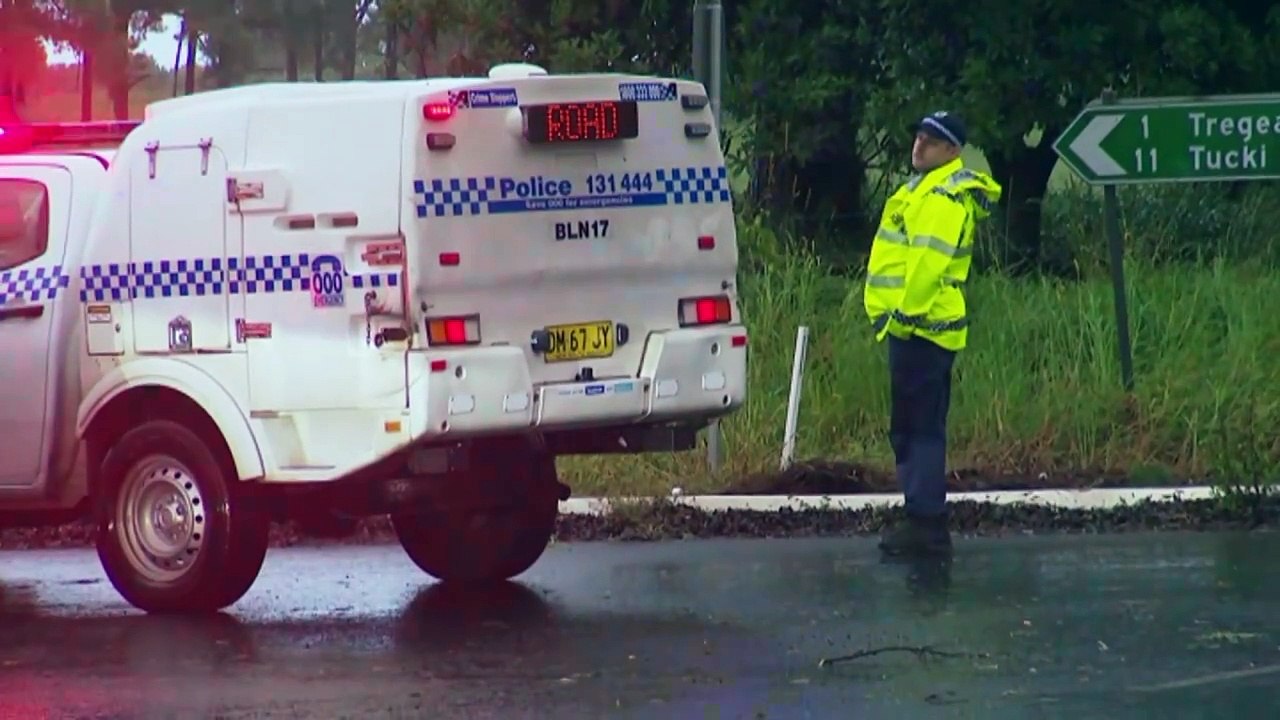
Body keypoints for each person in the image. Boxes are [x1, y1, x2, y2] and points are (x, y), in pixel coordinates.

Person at [863, 110, 1003, 557]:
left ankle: (925, 522)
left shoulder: (941, 197)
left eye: (932, 140)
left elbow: (927, 265)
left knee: (918, 428)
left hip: (921, 329)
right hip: (915, 328)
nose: (919, 145)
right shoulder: (922, 190)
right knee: (912, 426)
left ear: (953, 152)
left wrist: (901, 319)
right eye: (920, 136)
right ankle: (921, 515)